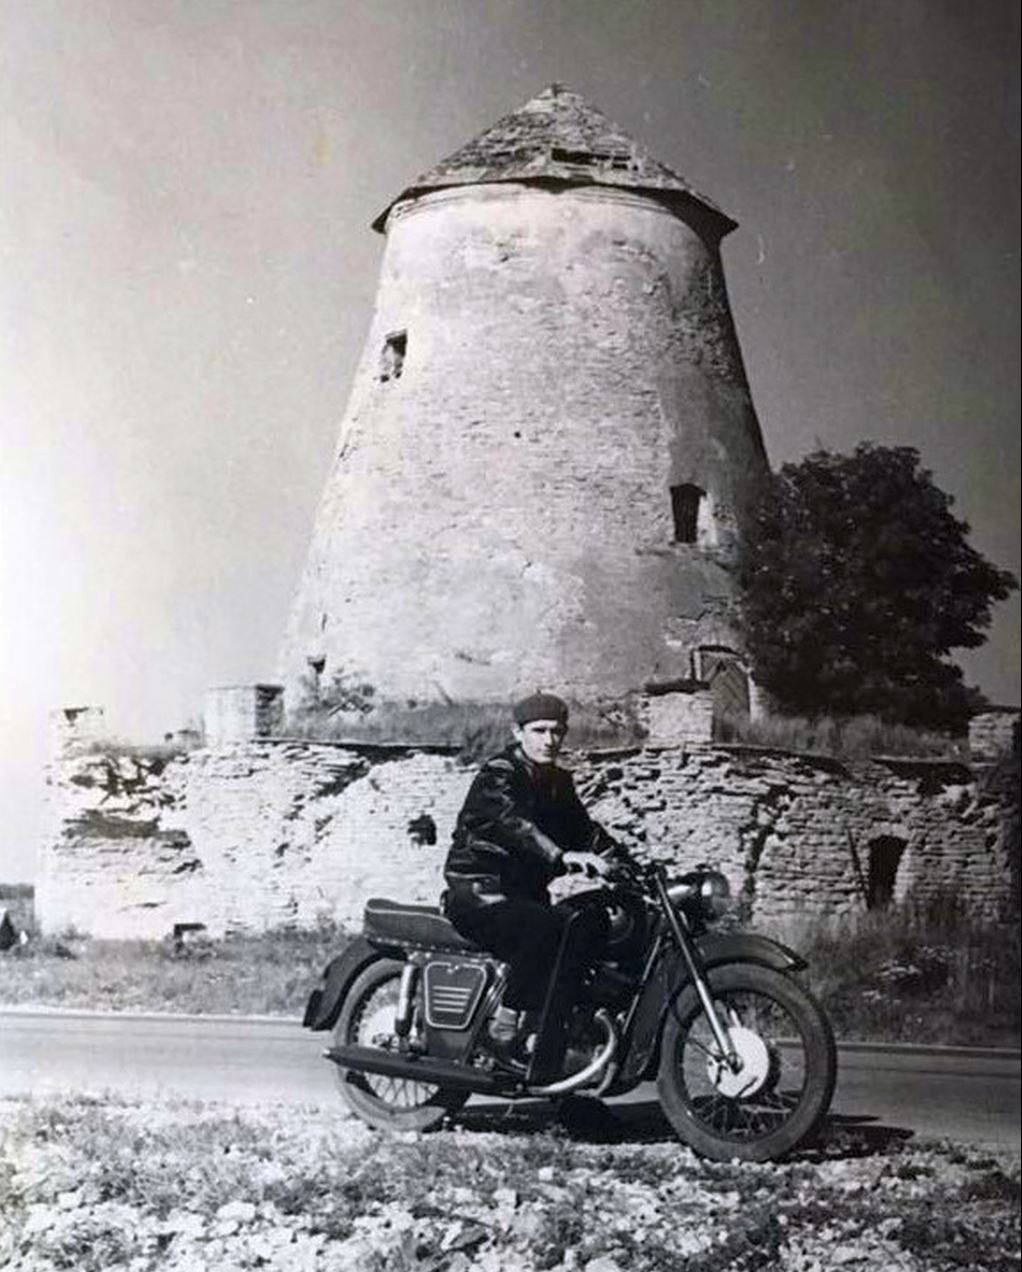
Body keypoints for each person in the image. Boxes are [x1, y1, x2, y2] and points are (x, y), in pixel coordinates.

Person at [442, 691, 626, 1079]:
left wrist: (626, 862)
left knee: (585, 925)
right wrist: (561, 856)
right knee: (545, 926)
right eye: (539, 731)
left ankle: (556, 1040)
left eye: (557, 731)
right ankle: (504, 1028)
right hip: (480, 894)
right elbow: (515, 825)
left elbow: (586, 832)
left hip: (523, 899)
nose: (549, 740)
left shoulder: (557, 782)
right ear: (517, 732)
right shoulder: (499, 775)